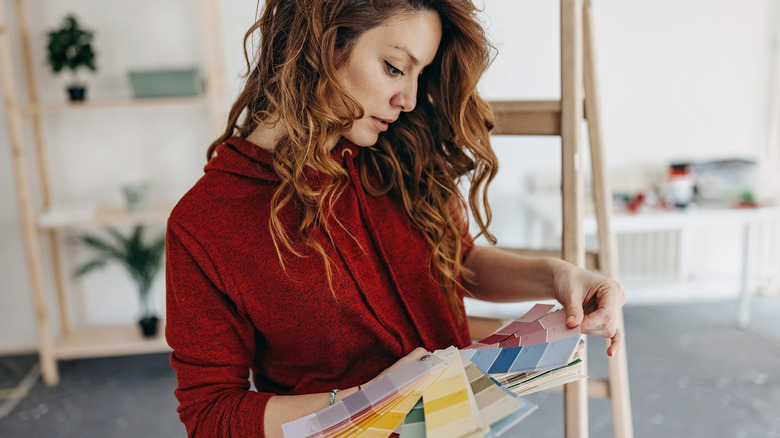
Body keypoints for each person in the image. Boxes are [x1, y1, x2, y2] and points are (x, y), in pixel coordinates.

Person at [165, 0, 626, 437]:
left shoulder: (398, 154)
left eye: (418, 74)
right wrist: (371, 401)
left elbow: (455, 262)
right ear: (321, 43)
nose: (408, 98)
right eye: (394, 67)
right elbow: (211, 415)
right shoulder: (205, 224)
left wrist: (558, 275)